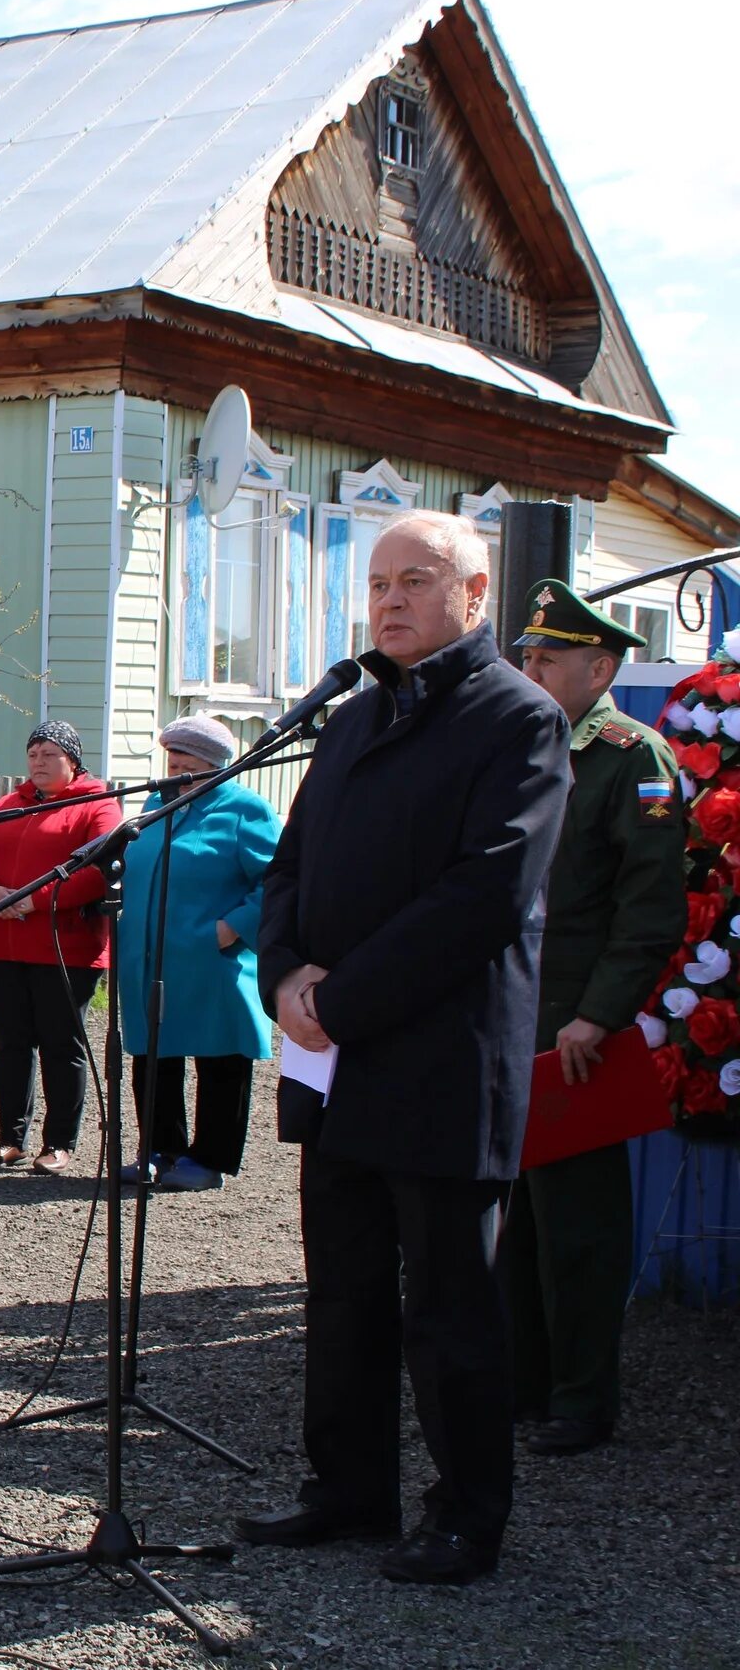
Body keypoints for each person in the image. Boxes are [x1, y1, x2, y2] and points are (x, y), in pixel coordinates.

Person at [241, 510, 570, 1587]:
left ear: (474, 598)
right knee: (339, 1287)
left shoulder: (516, 720)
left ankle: (466, 1514)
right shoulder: (353, 716)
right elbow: (289, 865)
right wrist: (282, 972)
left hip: (437, 1059)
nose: (389, 600)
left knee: (446, 1302)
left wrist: (342, 999)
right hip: (333, 1058)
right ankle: (347, 1489)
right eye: (378, 582)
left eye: (416, 581)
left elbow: (481, 896)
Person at [507, 580, 686, 1458]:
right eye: (526, 655)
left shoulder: (631, 757)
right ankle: (523, 1380)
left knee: (579, 1223)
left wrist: (599, 1015)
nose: (529, 669)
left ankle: (583, 1399)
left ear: (601, 666)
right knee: (513, 1216)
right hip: (505, 1014)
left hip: (574, 1025)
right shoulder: (515, 744)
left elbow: (649, 909)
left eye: (547, 658)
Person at [116, 715, 278, 1192]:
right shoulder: (155, 806)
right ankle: (160, 1150)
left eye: (186, 759)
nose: (176, 767)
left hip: (212, 960)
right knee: (153, 1055)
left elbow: (279, 880)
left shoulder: (245, 810)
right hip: (151, 957)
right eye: (171, 758)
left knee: (220, 1057)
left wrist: (232, 928)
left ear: (214, 763)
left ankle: (210, 1159)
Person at [0, 719, 118, 1174]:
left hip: (64, 947)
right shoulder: (9, 803)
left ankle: (59, 1142)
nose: (39, 762)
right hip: (4, 943)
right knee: (10, 1044)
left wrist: (34, 901)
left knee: (60, 1044)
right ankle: (10, 1137)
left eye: (50, 755)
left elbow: (101, 866)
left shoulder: (97, 805)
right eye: (34, 754)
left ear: (73, 761)